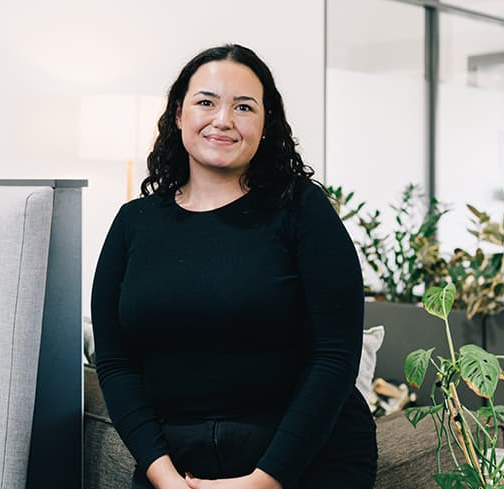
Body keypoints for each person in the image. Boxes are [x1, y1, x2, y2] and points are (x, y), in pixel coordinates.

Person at [91, 44, 376, 489]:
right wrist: (162, 475)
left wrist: (265, 480)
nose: (222, 119)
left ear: (265, 125)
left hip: (302, 460)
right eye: (206, 102)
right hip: (177, 465)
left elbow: (335, 354)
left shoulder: (302, 210)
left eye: (243, 106)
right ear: (178, 115)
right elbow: (115, 361)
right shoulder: (134, 222)